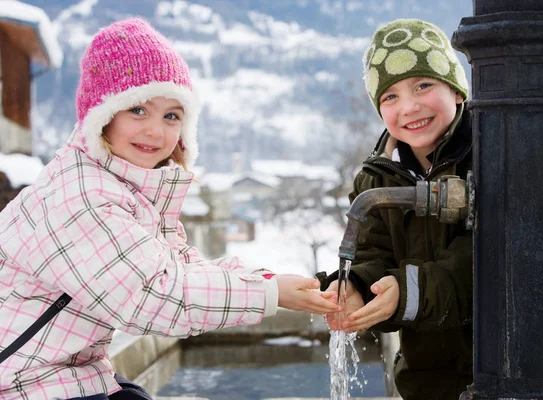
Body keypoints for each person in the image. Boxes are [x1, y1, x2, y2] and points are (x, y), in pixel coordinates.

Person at [0, 18, 340, 400]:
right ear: (102, 116)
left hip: (69, 372)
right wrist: (269, 294)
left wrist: (268, 281)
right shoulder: (80, 195)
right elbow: (152, 296)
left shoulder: (129, 187)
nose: (156, 132)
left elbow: (182, 269)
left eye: (171, 116)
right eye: (138, 110)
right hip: (22, 380)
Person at [320, 19, 473, 400]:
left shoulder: (489, 154)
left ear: (456, 90)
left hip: (502, 370)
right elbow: (373, 255)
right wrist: (355, 288)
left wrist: (406, 293)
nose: (409, 106)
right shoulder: (377, 180)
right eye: (390, 97)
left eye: (423, 85)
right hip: (424, 382)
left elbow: (485, 263)